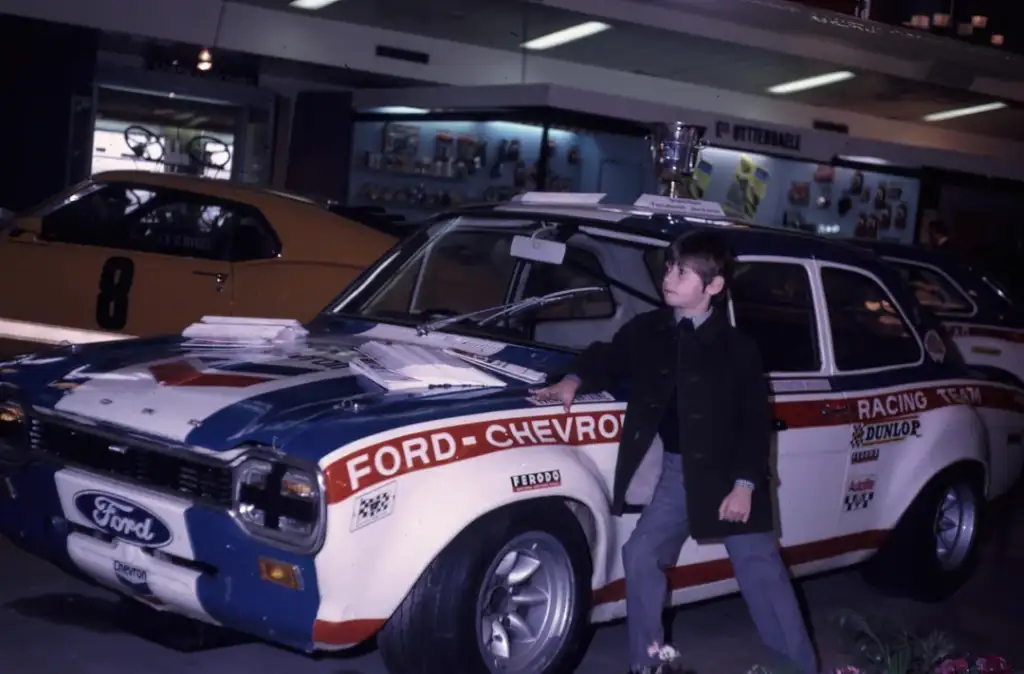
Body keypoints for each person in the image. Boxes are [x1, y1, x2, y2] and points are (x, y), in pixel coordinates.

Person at [530, 230, 819, 674]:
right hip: (679, 473)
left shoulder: (738, 347)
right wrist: (573, 380)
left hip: (730, 475)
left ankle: (799, 667)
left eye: (682, 272)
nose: (669, 277)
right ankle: (648, 663)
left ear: (714, 286)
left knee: (761, 571)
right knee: (641, 553)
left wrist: (744, 487)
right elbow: (607, 355)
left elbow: (752, 424)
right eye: (669, 267)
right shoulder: (651, 329)